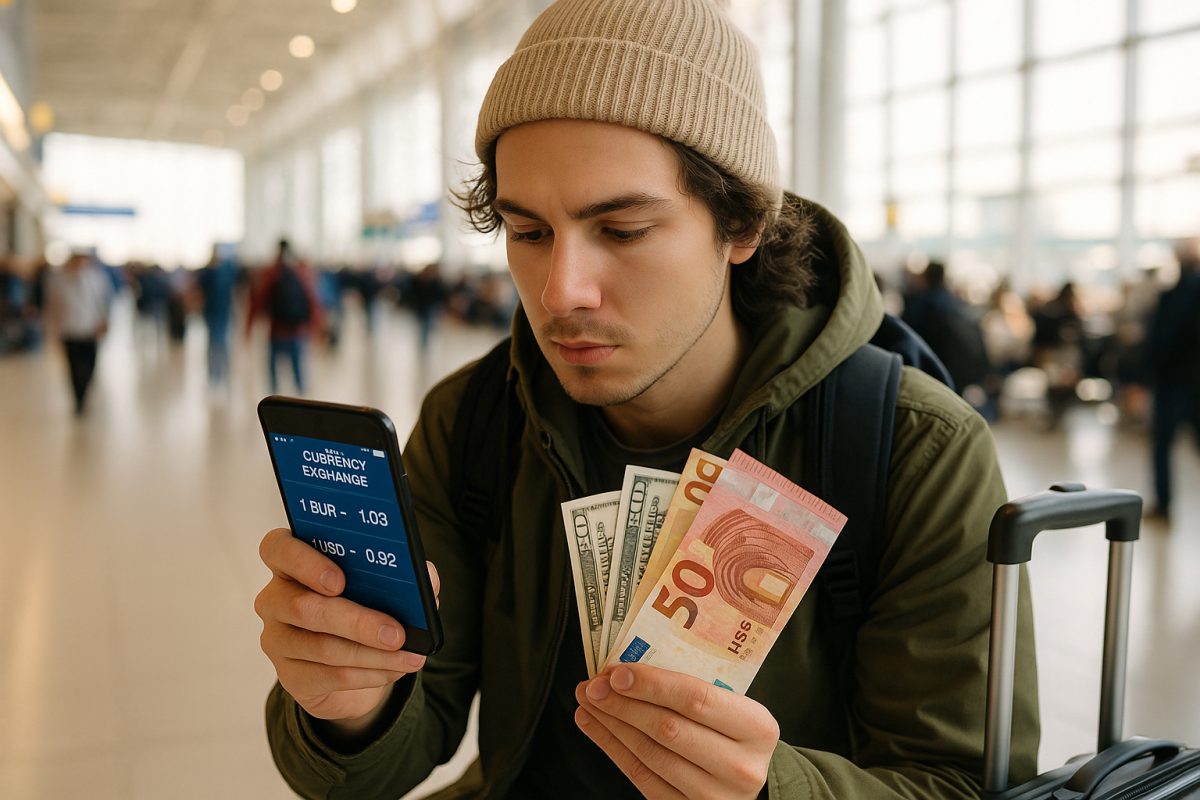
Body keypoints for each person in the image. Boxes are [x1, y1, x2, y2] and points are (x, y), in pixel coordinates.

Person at [253, 1, 1039, 797]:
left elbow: (962, 781)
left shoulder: (911, 447)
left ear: (743, 227)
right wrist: (346, 707)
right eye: (528, 233)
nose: (562, 292)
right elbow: (387, 756)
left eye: (623, 229)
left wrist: (774, 788)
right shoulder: (477, 418)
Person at [1144, 241, 1200, 522]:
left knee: (1163, 445)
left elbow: (1162, 335)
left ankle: (1163, 505)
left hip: (1175, 380)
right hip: (1187, 378)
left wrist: (1149, 370)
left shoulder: (1178, 293)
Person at [245, 238, 322, 395]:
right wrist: (316, 329)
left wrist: (248, 327)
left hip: (276, 331)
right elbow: (313, 300)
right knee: (298, 371)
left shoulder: (272, 273)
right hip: (298, 331)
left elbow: (258, 301)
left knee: (273, 373)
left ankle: (273, 404)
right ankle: (302, 404)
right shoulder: (301, 271)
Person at [46, 252, 114, 415]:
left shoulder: (97, 280)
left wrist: (104, 321)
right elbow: (52, 306)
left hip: (90, 329)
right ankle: (78, 398)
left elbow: (105, 301)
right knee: (73, 367)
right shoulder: (58, 281)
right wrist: (52, 329)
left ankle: (85, 388)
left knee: (90, 365)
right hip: (69, 330)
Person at [197, 244, 238, 388]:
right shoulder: (210, 273)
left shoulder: (224, 271)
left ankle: (223, 375)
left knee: (221, 345)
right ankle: (214, 376)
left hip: (222, 313)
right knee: (214, 345)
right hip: (213, 314)